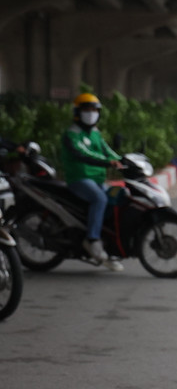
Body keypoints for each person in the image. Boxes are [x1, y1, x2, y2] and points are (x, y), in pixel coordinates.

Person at [61, 92, 124, 271]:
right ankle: (92, 240)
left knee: (115, 198)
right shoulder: (71, 135)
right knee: (100, 199)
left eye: (94, 110)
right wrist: (108, 162)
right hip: (79, 179)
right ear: (77, 112)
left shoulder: (95, 133)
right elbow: (84, 154)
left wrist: (123, 160)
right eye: (86, 110)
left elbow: (107, 151)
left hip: (97, 179)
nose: (91, 113)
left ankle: (107, 241)